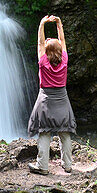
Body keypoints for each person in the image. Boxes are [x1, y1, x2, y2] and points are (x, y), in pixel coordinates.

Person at [27, 14, 75, 174]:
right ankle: (68, 165)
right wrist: (59, 24)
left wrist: (42, 25)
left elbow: (40, 42)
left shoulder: (43, 61)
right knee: (64, 131)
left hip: (45, 98)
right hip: (62, 98)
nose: (46, 41)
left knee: (44, 131)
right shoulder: (65, 60)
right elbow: (63, 41)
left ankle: (43, 166)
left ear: (46, 50)